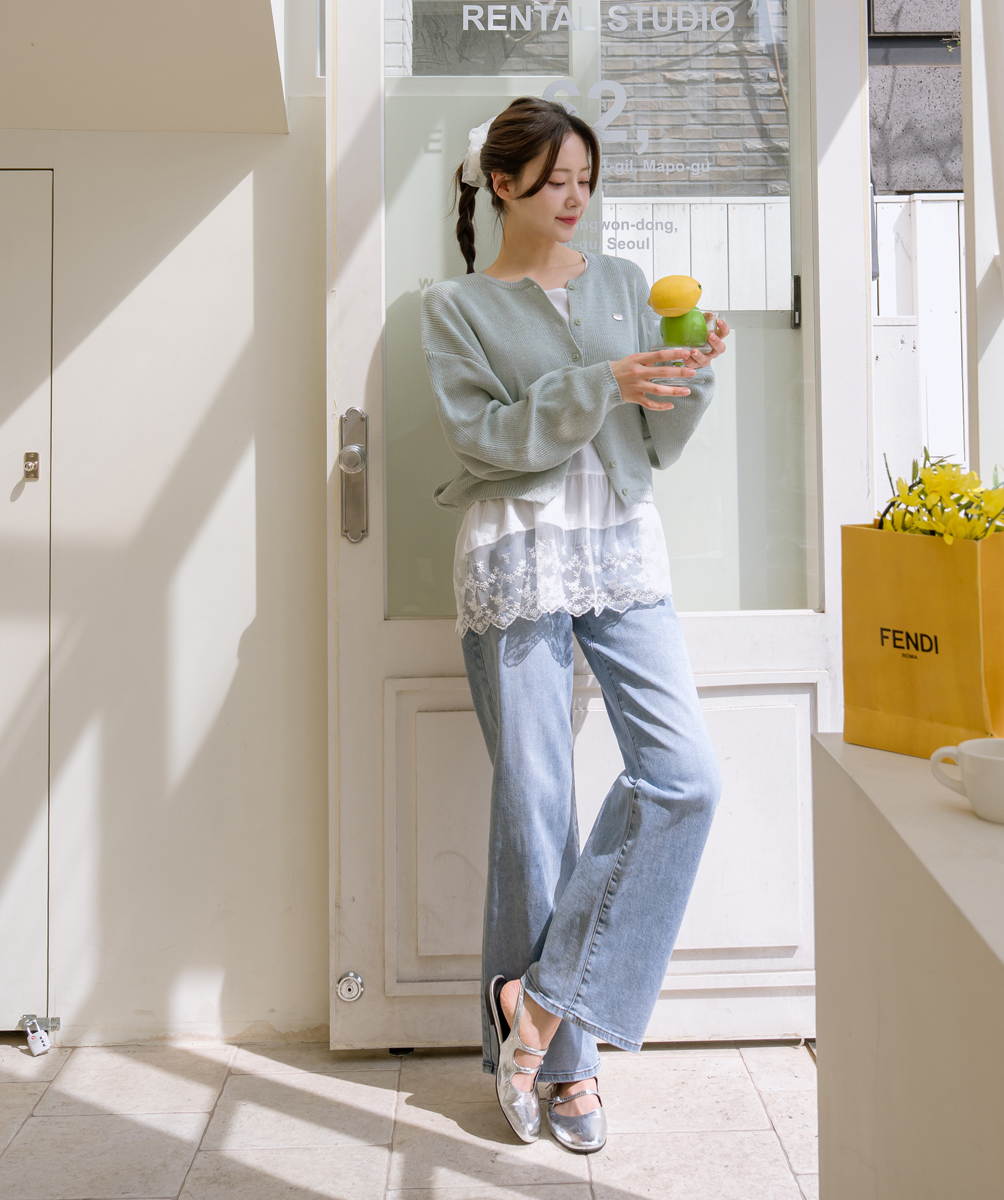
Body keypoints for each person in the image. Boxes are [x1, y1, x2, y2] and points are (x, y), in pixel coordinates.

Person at [420, 96, 729, 1154]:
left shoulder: (626, 286)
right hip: (516, 553)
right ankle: (566, 1072)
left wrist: (689, 372)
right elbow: (486, 437)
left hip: (620, 550)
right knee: (538, 807)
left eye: (586, 180)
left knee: (685, 773)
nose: (575, 199)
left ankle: (540, 1001)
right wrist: (601, 381)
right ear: (501, 184)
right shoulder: (453, 308)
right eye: (555, 180)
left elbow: (660, 436)